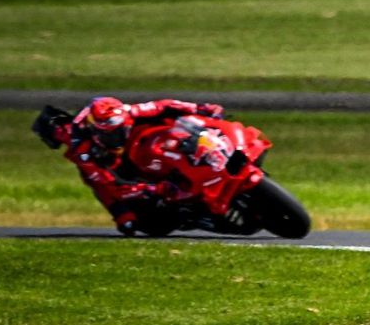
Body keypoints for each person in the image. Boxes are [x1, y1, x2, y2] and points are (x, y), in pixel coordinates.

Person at [31, 96, 226, 235]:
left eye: (121, 130)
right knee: (130, 221)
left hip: (130, 144)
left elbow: (164, 105)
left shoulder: (127, 112)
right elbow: (111, 187)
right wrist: (155, 189)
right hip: (110, 171)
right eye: (112, 135)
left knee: (167, 123)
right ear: (97, 133)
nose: (118, 137)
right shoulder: (83, 150)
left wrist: (200, 108)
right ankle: (129, 215)